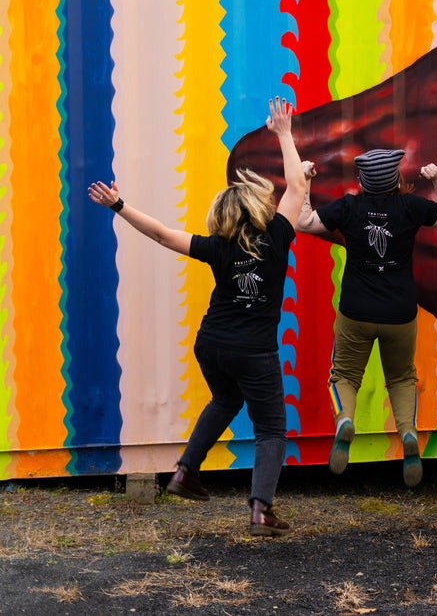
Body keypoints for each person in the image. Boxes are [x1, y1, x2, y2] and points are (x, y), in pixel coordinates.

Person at [88, 97, 306, 536]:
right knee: (271, 429)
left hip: (211, 344)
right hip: (252, 351)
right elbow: (297, 188)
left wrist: (119, 205)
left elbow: (163, 234)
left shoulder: (217, 248)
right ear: (260, 208)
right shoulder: (278, 236)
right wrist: (284, 133)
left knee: (226, 400)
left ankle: (186, 473)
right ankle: (261, 510)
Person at [296, 150, 437, 487]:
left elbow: (304, 222)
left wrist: (306, 182)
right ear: (396, 179)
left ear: (362, 181)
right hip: (400, 313)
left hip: (356, 311)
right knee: (400, 377)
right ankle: (408, 432)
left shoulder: (348, 207)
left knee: (344, 375)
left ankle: (345, 420)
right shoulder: (410, 207)